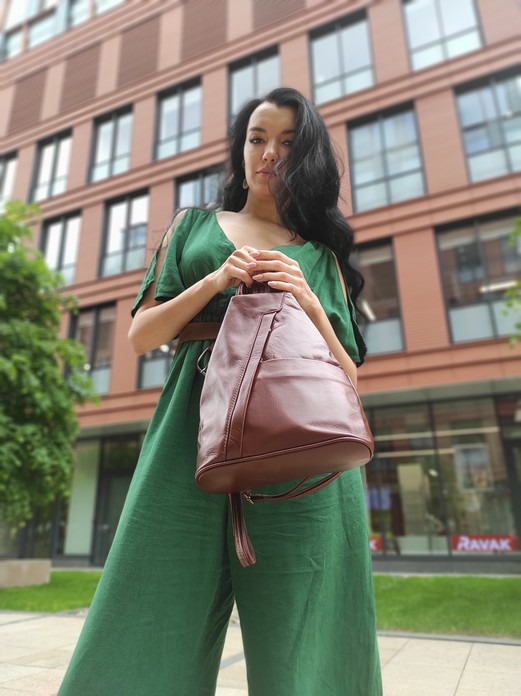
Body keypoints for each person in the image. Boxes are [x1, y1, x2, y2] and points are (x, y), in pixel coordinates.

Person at [58, 87, 382, 696]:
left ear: (308, 158)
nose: (269, 153)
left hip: (301, 449)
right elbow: (141, 335)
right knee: (150, 597)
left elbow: (350, 377)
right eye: (257, 138)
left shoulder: (320, 258)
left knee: (307, 623)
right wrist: (214, 279)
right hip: (190, 428)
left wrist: (307, 300)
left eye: (287, 143)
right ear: (241, 149)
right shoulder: (193, 227)